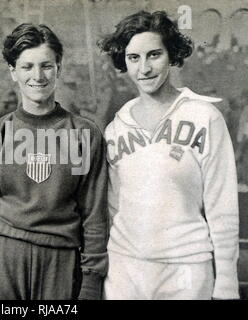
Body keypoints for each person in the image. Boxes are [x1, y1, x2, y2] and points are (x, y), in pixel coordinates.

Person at [98, 11, 239, 300]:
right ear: (123, 62)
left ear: (171, 55)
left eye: (154, 55)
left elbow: (222, 206)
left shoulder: (205, 117)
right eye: (134, 58)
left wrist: (226, 282)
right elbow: (113, 208)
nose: (144, 68)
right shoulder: (115, 128)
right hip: (124, 268)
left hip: (186, 269)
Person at [0, 23, 109, 300]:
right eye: (27, 67)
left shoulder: (84, 133)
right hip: (2, 256)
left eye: (46, 66)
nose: (37, 76)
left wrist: (91, 279)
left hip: (60, 258)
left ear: (59, 68)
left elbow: (95, 213)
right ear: (13, 72)